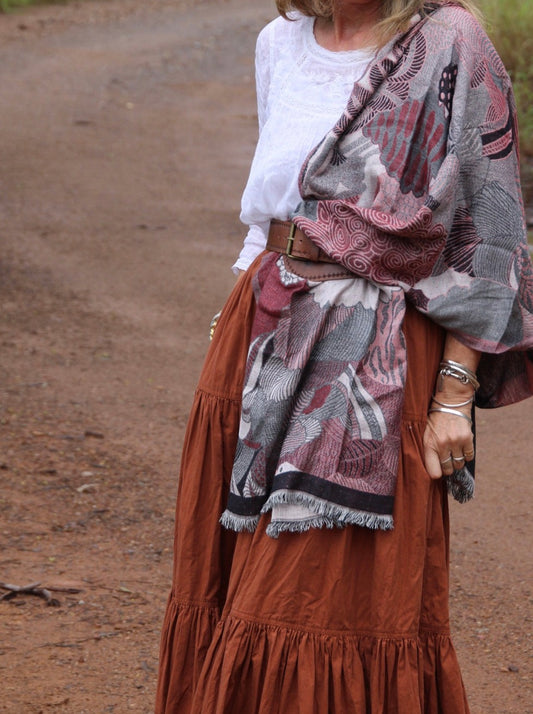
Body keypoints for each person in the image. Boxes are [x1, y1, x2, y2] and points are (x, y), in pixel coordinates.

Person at [155, 0, 533, 712]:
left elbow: (489, 232)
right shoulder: (279, 44)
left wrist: (454, 390)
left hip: (370, 366)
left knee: (317, 600)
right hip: (261, 333)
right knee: (226, 580)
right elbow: (274, 209)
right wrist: (232, 319)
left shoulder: (451, 42)